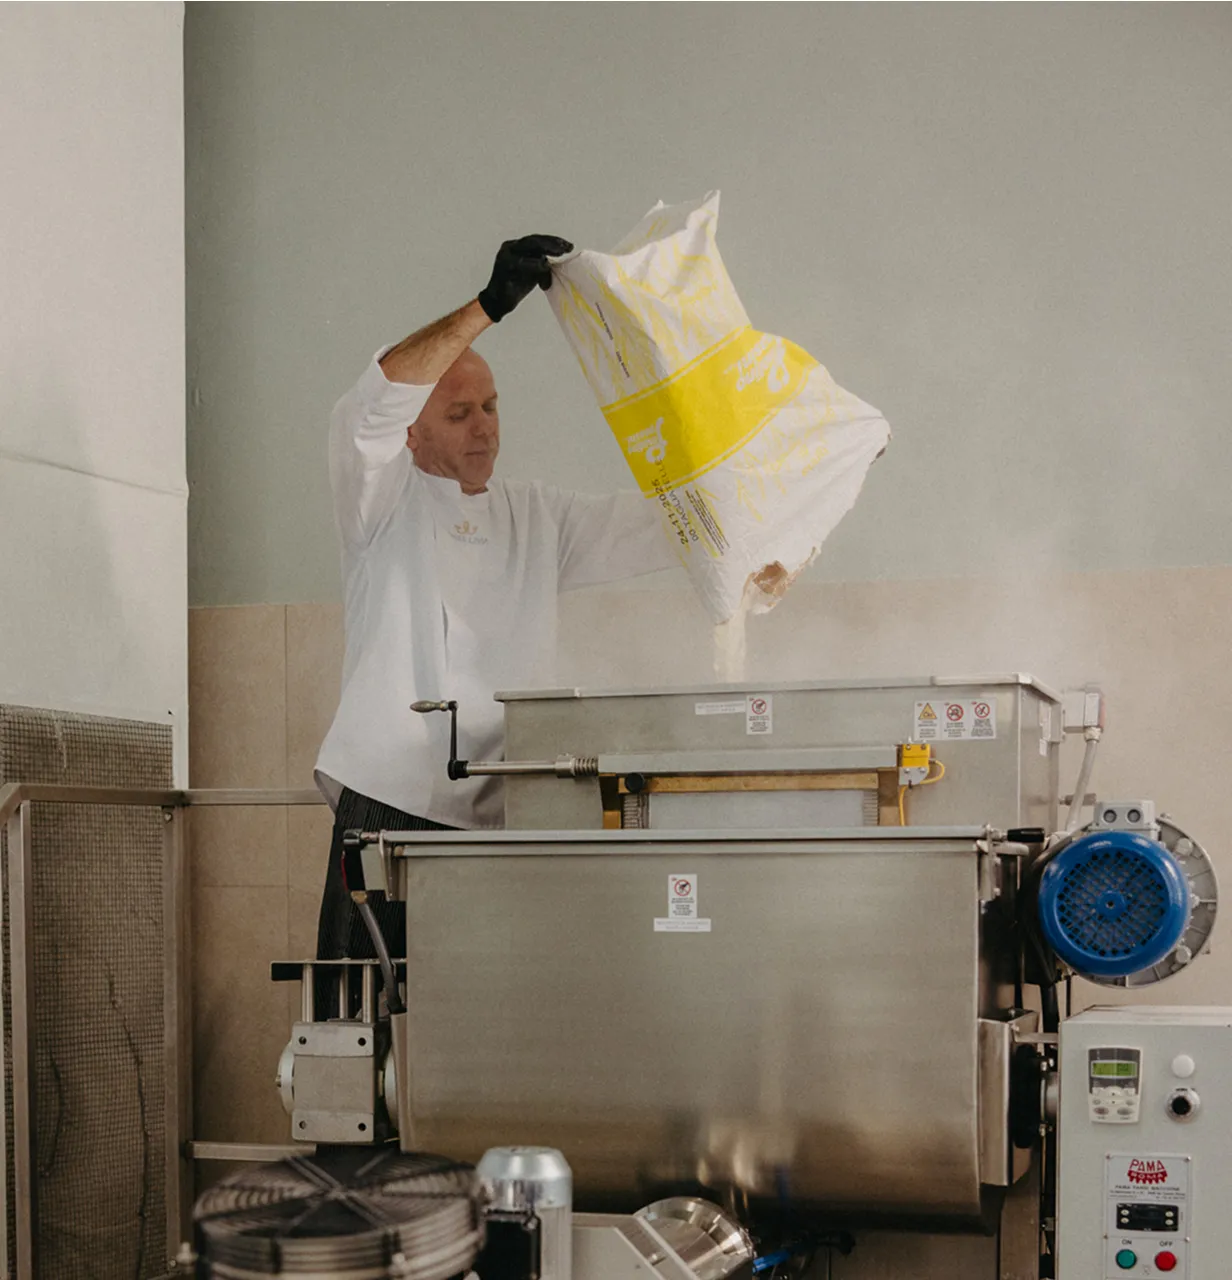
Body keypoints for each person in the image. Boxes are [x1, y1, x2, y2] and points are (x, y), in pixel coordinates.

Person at [314, 235, 676, 985]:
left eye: (490, 407)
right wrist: (484, 310)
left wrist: (785, 488)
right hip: (392, 807)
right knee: (365, 1027)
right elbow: (372, 407)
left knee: (478, 1031)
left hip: (503, 813)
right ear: (415, 430)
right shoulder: (378, 499)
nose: (484, 428)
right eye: (459, 413)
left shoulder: (537, 517)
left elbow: (660, 528)